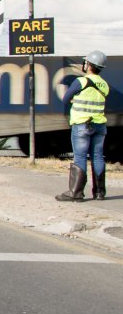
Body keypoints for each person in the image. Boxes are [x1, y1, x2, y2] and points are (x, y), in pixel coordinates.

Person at [57, 50, 111, 202]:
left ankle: (76, 193)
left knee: (80, 156)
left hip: (81, 124)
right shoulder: (104, 85)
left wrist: (74, 101)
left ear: (88, 65)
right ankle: (100, 193)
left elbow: (65, 98)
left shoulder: (81, 81)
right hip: (99, 125)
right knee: (98, 156)